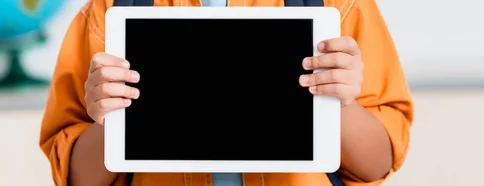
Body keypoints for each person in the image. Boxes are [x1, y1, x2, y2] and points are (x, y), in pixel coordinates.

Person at [39, 0, 414, 185]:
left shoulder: (339, 5)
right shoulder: (109, 12)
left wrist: (342, 103)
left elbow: (377, 164)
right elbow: (76, 178)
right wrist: (109, 118)